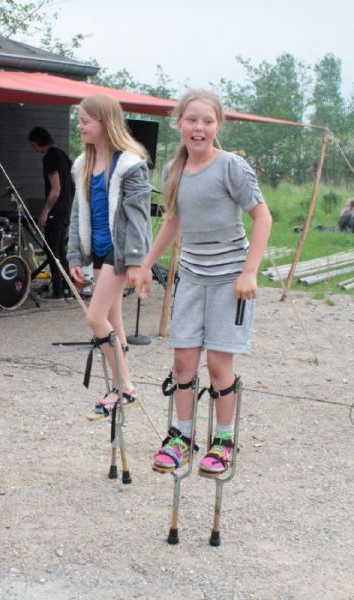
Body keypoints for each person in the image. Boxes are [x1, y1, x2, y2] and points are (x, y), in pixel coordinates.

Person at [135, 89, 272, 476]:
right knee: (183, 362)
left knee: (218, 365)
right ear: (178, 123)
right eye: (192, 120)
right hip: (192, 278)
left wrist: (249, 271)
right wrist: (146, 265)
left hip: (230, 279)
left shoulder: (231, 167)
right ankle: (182, 437)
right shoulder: (173, 171)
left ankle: (223, 441)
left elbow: (263, 217)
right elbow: (174, 221)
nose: (199, 127)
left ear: (218, 126)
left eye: (207, 121)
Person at [67, 94, 152, 418]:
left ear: (105, 123)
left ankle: (125, 387)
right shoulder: (83, 165)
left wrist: (135, 261)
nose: (79, 126)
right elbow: (78, 214)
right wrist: (75, 256)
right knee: (113, 321)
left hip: (120, 251)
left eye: (85, 121)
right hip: (99, 250)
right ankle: (121, 386)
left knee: (94, 317)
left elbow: (138, 217)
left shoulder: (129, 164)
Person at [28, 126, 74, 299]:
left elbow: (55, 189)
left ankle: (58, 290)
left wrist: (45, 211)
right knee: (60, 250)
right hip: (66, 209)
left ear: (39, 142)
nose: (34, 149)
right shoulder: (62, 155)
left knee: (52, 251)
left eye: (33, 145)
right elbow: (72, 184)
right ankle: (67, 287)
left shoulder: (50, 158)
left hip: (56, 210)